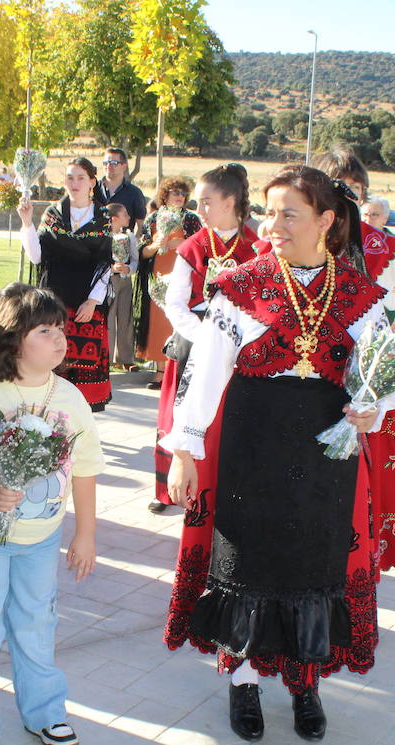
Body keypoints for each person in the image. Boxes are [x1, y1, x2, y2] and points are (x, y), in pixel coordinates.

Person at [163, 165, 385, 743]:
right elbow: (205, 373)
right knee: (250, 562)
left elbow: (375, 378)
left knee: (312, 563)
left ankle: (304, 682)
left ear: (326, 221)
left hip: (323, 453)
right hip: (252, 444)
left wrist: (370, 408)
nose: (273, 224)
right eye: (269, 211)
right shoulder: (240, 286)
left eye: (289, 213)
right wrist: (185, 450)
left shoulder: (360, 294)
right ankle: (241, 681)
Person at [0, 283, 102, 745]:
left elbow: (86, 466)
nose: (61, 340)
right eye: (46, 331)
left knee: (36, 622)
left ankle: (45, 711)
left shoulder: (70, 398)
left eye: (62, 330)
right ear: (14, 341)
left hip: (40, 539)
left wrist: (86, 534)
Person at [312, 148, 395, 573]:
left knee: (364, 479)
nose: (346, 197)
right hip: (305, 379)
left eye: (353, 188)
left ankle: (358, 563)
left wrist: (392, 343)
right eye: (335, 187)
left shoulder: (385, 246)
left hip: (365, 385)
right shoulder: (295, 242)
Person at [151, 163, 259, 515]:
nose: (199, 210)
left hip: (242, 346)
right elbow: (175, 302)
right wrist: (207, 339)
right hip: (193, 339)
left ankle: (222, 488)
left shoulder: (257, 248)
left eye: (206, 202)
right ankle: (170, 488)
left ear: (230, 201)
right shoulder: (193, 246)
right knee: (178, 413)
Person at [17, 157, 113, 411]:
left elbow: (106, 263)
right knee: (50, 364)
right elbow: (37, 256)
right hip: (54, 299)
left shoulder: (103, 216)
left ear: (92, 182)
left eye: (81, 177)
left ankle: (79, 431)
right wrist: (27, 222)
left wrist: (93, 301)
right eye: (70, 177)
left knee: (82, 371)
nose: (75, 183)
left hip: (85, 302)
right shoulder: (53, 214)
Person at [136, 177, 203, 388]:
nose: (180, 197)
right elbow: (143, 253)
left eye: (183, 194)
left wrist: (182, 243)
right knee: (158, 321)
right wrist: (156, 244)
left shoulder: (191, 220)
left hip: (183, 275)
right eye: (175, 192)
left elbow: (201, 247)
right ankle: (159, 372)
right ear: (165, 194)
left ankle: (179, 368)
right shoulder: (153, 219)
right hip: (159, 273)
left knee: (179, 318)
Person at [104, 202, 138, 369]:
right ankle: (107, 358)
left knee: (125, 317)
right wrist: (111, 268)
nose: (129, 217)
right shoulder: (103, 236)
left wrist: (129, 268)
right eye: (125, 214)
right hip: (108, 281)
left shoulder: (129, 236)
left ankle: (125, 358)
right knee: (109, 318)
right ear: (114, 218)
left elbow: (135, 259)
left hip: (125, 280)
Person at [94, 147, 146, 227]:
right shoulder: (93, 189)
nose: (108, 166)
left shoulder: (134, 193)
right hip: (95, 238)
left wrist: (133, 239)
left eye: (113, 163)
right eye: (105, 162)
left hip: (123, 238)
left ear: (124, 167)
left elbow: (140, 225)